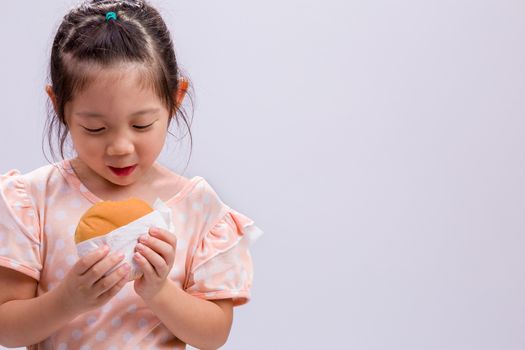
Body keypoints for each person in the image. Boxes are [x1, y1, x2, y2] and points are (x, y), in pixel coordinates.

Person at [0, 0, 263, 349]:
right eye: (95, 128)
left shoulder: (198, 209)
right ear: (58, 107)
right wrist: (67, 300)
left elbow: (213, 334)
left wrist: (159, 291)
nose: (120, 147)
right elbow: (7, 328)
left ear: (175, 100)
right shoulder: (32, 200)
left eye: (141, 124)